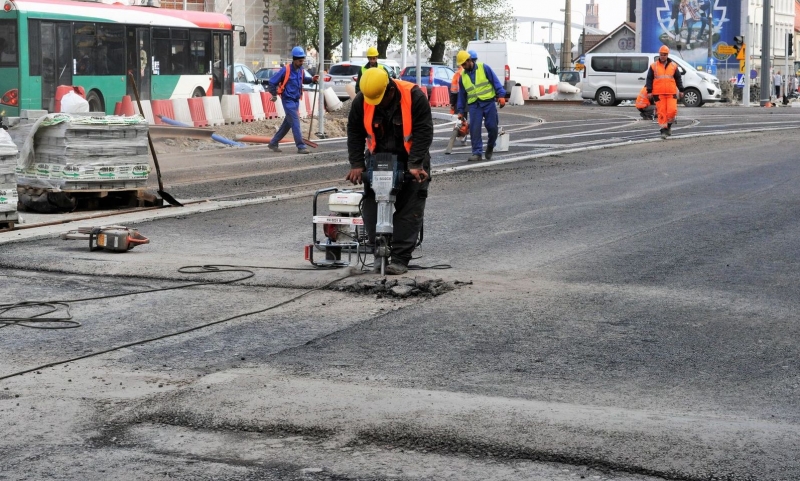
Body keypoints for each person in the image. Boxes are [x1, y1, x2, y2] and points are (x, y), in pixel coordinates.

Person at [346, 68, 432, 275]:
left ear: (390, 89)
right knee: (371, 207)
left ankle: (400, 259)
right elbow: (355, 131)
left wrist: (415, 164)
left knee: (409, 208)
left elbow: (423, 130)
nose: (375, 103)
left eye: (380, 99)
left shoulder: (414, 96)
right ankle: (380, 253)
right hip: (378, 157)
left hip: (411, 158)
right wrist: (357, 164)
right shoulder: (362, 100)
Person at [455, 49, 506, 161]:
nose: (463, 66)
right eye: (461, 65)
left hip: (488, 102)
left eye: (464, 63)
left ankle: (490, 146)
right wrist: (460, 111)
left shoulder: (484, 68)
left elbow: (495, 81)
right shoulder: (462, 76)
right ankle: (477, 153)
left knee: (493, 128)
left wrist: (501, 95)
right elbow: (462, 95)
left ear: (469, 60)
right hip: (474, 105)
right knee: (474, 129)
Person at [267, 46, 317, 154]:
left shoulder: (301, 70)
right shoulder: (286, 69)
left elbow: (304, 79)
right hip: (288, 101)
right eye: (300, 61)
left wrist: (312, 79)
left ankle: (273, 143)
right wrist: (274, 94)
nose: (301, 62)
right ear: (294, 59)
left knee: (288, 123)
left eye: (302, 60)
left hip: (296, 101)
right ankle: (301, 146)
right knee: (295, 122)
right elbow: (272, 82)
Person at [646, 45, 684, 140]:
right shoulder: (654, 66)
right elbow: (649, 79)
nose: (663, 56)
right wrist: (649, 91)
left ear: (667, 55)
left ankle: (669, 126)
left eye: (665, 54)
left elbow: (678, 78)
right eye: (661, 54)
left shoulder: (674, 66)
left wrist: (681, 89)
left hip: (671, 93)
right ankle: (663, 130)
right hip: (658, 94)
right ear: (659, 54)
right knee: (662, 113)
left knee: (672, 111)